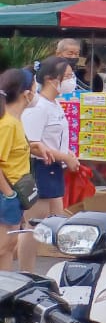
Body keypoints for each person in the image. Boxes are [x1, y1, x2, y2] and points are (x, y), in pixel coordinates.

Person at [19, 59, 79, 271]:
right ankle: (27, 273)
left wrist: (67, 154)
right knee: (33, 226)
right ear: (51, 80)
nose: (72, 80)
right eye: (69, 76)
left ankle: (66, 269)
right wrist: (65, 157)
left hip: (54, 168)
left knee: (58, 220)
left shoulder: (55, 104)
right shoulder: (38, 107)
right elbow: (33, 145)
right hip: (40, 168)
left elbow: (55, 138)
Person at [0, 69, 35, 271]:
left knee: (7, 248)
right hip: (7, 195)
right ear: (25, 92)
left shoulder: (15, 122)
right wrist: (9, 195)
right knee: (4, 246)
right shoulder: (8, 124)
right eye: (34, 86)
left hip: (14, 195)